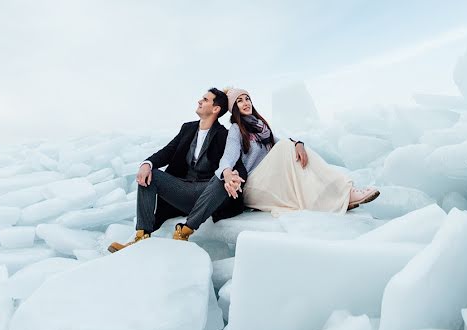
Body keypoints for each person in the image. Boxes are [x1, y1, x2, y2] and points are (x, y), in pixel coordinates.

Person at [108, 87, 247, 253]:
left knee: (221, 178)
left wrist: (234, 176)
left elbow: (237, 164)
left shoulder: (223, 135)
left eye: (205, 99)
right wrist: (147, 163)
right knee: (151, 175)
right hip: (183, 190)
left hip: (208, 192)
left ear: (216, 109)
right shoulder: (187, 128)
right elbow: (168, 151)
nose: (199, 101)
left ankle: (184, 231)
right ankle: (141, 237)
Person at [217, 87, 379, 215]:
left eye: (247, 99)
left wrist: (299, 144)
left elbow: (281, 142)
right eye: (240, 101)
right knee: (286, 147)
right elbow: (227, 157)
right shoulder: (236, 129)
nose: (246, 103)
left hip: (269, 181)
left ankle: (339, 193)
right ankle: (345, 190)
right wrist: (227, 172)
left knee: (295, 153)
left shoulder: (261, 127)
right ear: (234, 108)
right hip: (253, 186)